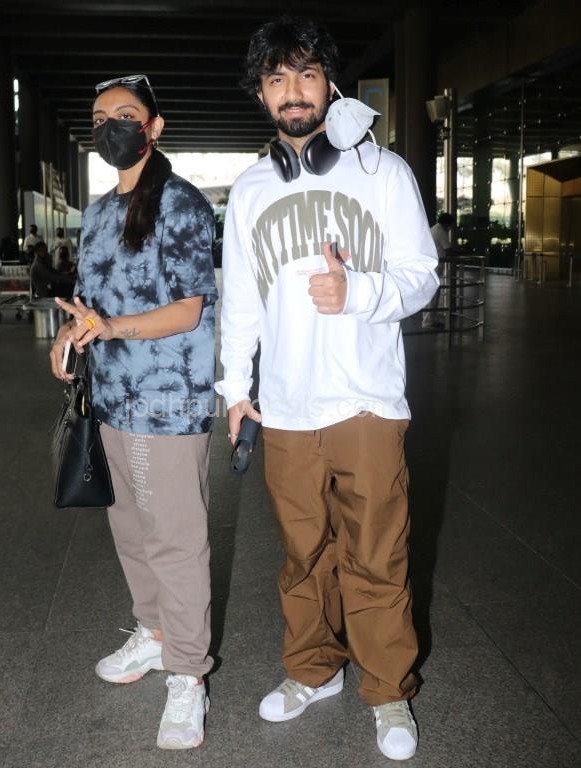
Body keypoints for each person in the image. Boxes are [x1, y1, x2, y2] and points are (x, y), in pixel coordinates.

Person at [215, 17, 439, 762]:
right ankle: (313, 673)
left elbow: (422, 276)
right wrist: (235, 390)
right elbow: (240, 302)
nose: (293, 91)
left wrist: (359, 291)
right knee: (303, 556)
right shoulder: (249, 191)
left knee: (377, 555)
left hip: (367, 401)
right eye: (276, 78)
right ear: (261, 93)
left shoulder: (384, 173)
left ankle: (387, 691)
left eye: (306, 74)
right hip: (285, 407)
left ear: (330, 84)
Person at [48, 73, 217, 751]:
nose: (110, 126)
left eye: (125, 114)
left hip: (167, 402)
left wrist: (113, 328)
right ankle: (154, 632)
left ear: (154, 126)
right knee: (130, 530)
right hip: (112, 399)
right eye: (99, 117)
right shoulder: (95, 215)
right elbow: (90, 306)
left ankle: (189, 672)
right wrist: (70, 335)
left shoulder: (181, 204)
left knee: (175, 537)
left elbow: (189, 309)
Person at [422, 212, 457, 328]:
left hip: (429, 266)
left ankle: (429, 318)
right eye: (450, 225)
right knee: (433, 293)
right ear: (447, 223)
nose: (450, 228)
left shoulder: (433, 229)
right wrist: (461, 251)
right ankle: (428, 320)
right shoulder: (441, 232)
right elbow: (448, 250)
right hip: (435, 267)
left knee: (430, 293)